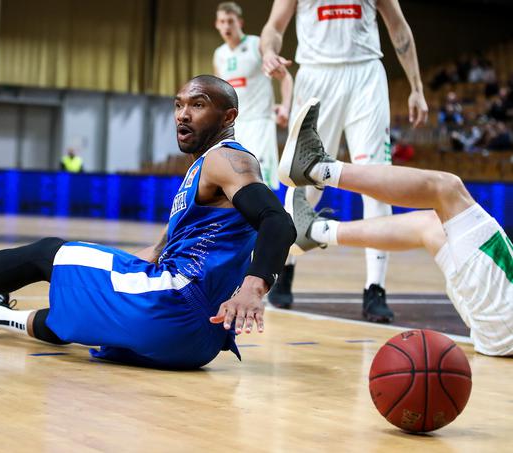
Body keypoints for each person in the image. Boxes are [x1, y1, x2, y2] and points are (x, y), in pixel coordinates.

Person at [0, 76, 297, 370]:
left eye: (197, 104)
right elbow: (157, 252)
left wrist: (253, 286)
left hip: (171, 306)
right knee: (84, 304)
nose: (182, 115)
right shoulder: (199, 175)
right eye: (177, 104)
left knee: (48, 253)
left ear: (228, 116)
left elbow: (278, 220)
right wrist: (112, 268)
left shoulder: (228, 158)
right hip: (196, 344)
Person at [279, 98, 512, 356]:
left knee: (447, 189)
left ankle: (318, 168)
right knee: (430, 226)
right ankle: (313, 232)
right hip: (500, 325)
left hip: (506, 318)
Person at [260, 0, 429, 322]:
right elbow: (273, 27)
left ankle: (375, 288)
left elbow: (398, 26)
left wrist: (416, 87)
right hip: (315, 76)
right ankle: (284, 268)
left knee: (378, 181)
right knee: (304, 183)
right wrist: (268, 52)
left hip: (366, 75)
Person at [213, 1, 293, 190]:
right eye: (222, 21)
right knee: (235, 183)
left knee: (261, 181)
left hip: (260, 123)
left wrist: (285, 107)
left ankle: (270, 219)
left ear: (239, 22)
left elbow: (286, 78)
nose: (226, 26)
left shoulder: (257, 45)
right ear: (217, 24)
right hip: (234, 127)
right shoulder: (219, 54)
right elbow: (219, 94)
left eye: (230, 21)